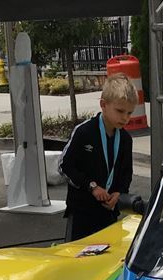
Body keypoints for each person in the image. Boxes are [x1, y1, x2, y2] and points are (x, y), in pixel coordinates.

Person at [58, 74, 137, 242]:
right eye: (120, 111)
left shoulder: (125, 139)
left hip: (109, 211)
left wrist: (119, 193)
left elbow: (126, 173)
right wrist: (91, 186)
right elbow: (65, 165)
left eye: (129, 113)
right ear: (103, 105)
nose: (125, 118)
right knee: (77, 254)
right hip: (82, 211)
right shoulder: (84, 132)